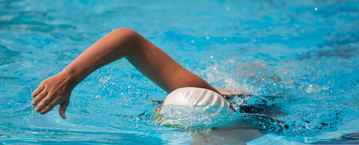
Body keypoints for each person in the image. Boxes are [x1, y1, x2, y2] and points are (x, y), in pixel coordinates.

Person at [31, 28, 240, 119]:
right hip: (226, 95)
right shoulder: (194, 90)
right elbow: (127, 39)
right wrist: (68, 77)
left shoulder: (253, 127)